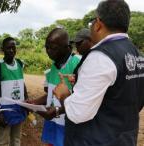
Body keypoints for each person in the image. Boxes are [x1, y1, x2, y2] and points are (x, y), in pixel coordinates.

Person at [53, 0, 144, 146]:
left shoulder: (101, 56)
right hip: (124, 139)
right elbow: (132, 101)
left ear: (98, 24)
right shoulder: (138, 56)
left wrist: (64, 94)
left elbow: (78, 112)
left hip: (94, 140)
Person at [27, 28, 80, 146]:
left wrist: (57, 111)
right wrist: (33, 103)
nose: (48, 51)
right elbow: (51, 95)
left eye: (53, 48)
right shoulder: (54, 67)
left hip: (69, 127)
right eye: (47, 47)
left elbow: (82, 102)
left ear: (66, 47)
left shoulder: (78, 64)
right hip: (53, 123)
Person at [0, 37, 28, 146]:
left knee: (16, 139)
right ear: (2, 49)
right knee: (4, 141)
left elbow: (22, 83)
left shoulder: (20, 63)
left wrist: (27, 101)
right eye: (8, 48)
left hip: (19, 107)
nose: (11, 50)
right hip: (4, 110)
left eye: (13, 48)